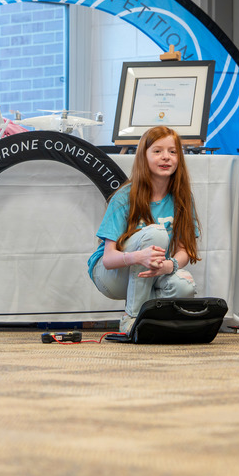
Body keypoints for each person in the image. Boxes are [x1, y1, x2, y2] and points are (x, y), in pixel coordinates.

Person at [87, 126, 201, 333]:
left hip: (150, 271)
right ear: (143, 156)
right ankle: (132, 319)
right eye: (157, 151)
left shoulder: (183, 198)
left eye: (172, 151)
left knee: (184, 286)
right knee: (156, 233)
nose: (166, 157)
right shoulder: (124, 197)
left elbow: (184, 250)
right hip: (111, 275)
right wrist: (138, 257)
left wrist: (169, 265)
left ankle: (149, 320)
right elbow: (108, 259)